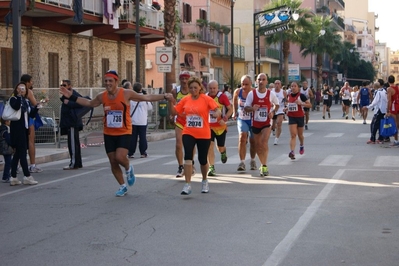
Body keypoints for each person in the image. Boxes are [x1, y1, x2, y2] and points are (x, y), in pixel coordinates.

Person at [59, 70, 174, 197]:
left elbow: (146, 98)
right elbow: (89, 103)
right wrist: (72, 97)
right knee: (113, 161)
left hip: (124, 131)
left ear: (116, 82)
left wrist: (164, 96)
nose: (108, 83)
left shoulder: (125, 93)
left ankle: (128, 168)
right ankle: (122, 186)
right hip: (109, 133)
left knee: (120, 157)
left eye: (110, 81)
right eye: (106, 81)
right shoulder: (102, 96)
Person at [169, 76, 221, 195]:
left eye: (195, 88)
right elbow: (174, 112)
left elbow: (216, 109)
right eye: (191, 88)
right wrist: (170, 102)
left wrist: (216, 114)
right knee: (188, 157)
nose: (193, 90)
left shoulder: (206, 99)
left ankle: (204, 180)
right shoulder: (186, 99)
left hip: (203, 133)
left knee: (202, 159)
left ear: (200, 88)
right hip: (189, 132)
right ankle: (187, 184)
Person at [244, 73, 279, 176]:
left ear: (266, 82)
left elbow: (276, 105)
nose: (261, 81)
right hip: (255, 123)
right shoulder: (252, 94)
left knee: (264, 142)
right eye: (259, 79)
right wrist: (252, 108)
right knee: (258, 145)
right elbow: (246, 107)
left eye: (263, 79)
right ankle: (262, 164)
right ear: (256, 81)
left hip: (266, 123)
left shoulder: (270, 94)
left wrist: (272, 112)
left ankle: (264, 165)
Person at [9, 82, 40, 186]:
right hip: (17, 130)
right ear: (16, 89)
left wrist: (36, 108)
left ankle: (13, 176)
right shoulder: (14, 99)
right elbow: (16, 107)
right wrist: (18, 96)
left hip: (24, 129)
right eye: (20, 88)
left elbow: (30, 114)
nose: (22, 90)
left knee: (18, 154)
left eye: (23, 88)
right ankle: (27, 176)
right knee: (22, 153)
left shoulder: (26, 101)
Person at [206, 80, 233, 176]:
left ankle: (223, 152)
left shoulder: (222, 97)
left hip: (220, 127)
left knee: (220, 147)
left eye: (214, 88)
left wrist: (225, 119)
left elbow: (230, 109)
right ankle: (211, 168)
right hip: (209, 127)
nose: (212, 90)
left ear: (217, 88)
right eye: (210, 88)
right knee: (210, 147)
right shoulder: (205, 97)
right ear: (208, 88)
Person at [171, 71, 195, 177]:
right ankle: (180, 167)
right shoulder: (175, 91)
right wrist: (171, 115)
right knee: (178, 144)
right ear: (179, 80)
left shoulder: (193, 90)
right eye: (182, 79)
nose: (184, 81)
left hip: (191, 121)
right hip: (180, 120)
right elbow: (171, 104)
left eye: (186, 79)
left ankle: (191, 162)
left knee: (191, 144)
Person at [232, 75, 257, 172]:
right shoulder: (238, 91)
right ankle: (242, 162)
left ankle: (253, 160)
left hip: (253, 119)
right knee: (242, 137)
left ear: (251, 83)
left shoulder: (255, 92)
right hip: (242, 118)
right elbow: (234, 100)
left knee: (253, 141)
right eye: (243, 84)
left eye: (246, 84)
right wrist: (234, 111)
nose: (244, 86)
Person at [21, 74, 43, 173]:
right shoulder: (28, 91)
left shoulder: (16, 91)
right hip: (28, 118)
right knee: (31, 142)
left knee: (19, 143)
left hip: (19, 119)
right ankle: (32, 165)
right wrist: (42, 102)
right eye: (31, 81)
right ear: (27, 82)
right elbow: (35, 104)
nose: (32, 83)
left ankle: (17, 165)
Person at [59, 79, 83, 170]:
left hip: (73, 123)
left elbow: (81, 103)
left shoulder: (73, 95)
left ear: (69, 86)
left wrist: (69, 103)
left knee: (73, 144)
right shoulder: (65, 96)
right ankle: (77, 162)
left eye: (64, 85)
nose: (62, 87)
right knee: (73, 143)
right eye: (61, 85)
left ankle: (74, 163)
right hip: (69, 123)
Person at [285, 82, 312, 160]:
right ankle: (292, 152)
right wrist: (286, 109)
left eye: (295, 86)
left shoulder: (301, 95)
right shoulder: (288, 96)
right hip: (291, 117)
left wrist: (301, 103)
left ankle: (301, 145)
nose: (293, 87)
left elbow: (310, 105)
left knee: (300, 135)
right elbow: (290, 105)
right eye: (292, 86)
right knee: (293, 135)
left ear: (298, 88)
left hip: (300, 117)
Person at [126, 82, 153, 158]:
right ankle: (143, 152)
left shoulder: (131, 98)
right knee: (142, 137)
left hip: (133, 121)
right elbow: (150, 107)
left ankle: (130, 152)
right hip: (142, 121)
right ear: (141, 89)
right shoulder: (145, 98)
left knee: (133, 138)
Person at [271, 79, 286, 145]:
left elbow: (286, 100)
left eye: (278, 84)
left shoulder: (283, 92)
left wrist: (286, 106)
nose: (277, 85)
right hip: (273, 109)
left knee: (279, 123)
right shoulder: (271, 91)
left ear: (280, 85)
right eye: (276, 84)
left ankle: (276, 139)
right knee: (272, 125)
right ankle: (273, 129)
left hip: (280, 109)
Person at [386, 75, 399, 146]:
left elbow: (389, 100)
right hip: (398, 105)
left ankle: (396, 140)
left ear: (388, 81)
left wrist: (388, 110)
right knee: (398, 123)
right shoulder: (398, 87)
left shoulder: (389, 89)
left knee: (394, 124)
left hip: (393, 106)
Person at [0, 119, 12, 183]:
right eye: (9, 121)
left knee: (9, 162)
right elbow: (8, 139)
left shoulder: (2, 129)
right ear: (6, 121)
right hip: (6, 148)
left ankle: (8, 175)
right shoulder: (6, 129)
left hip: (4, 148)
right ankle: (5, 176)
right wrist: (12, 144)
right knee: (8, 162)